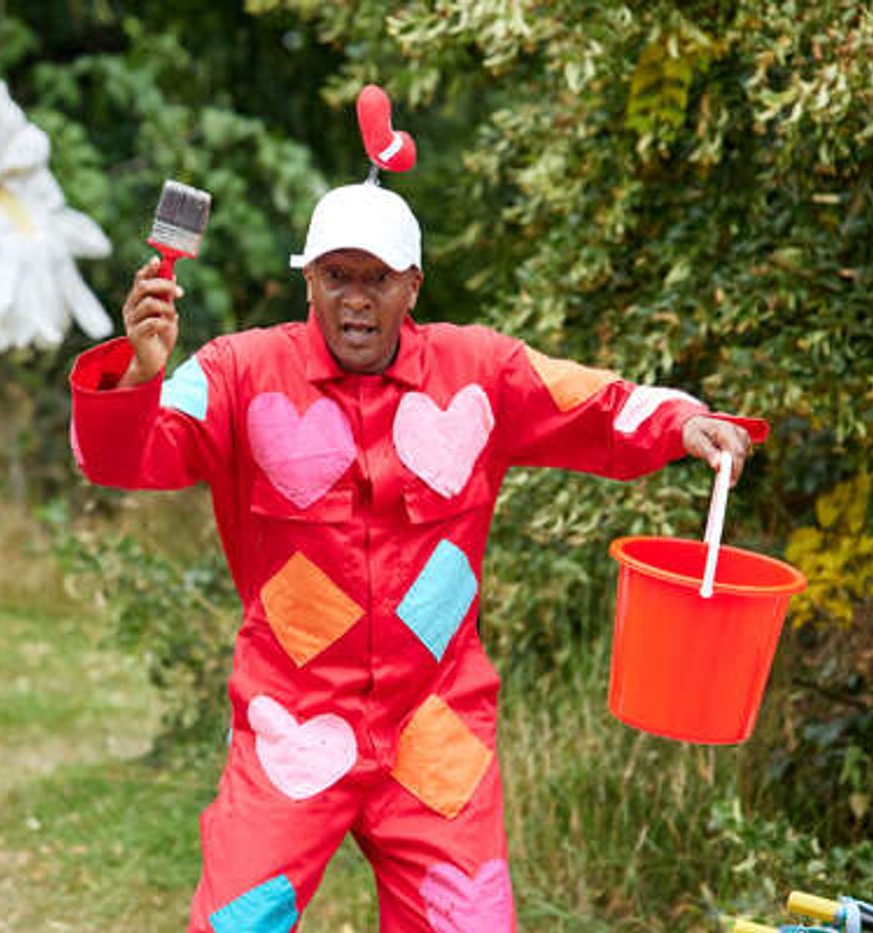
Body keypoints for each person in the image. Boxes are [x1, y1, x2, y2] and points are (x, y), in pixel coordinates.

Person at [69, 180, 755, 932]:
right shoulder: (240, 371)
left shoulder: (480, 372)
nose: (355, 300)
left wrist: (686, 421)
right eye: (336, 277)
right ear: (309, 280)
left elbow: (594, 403)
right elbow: (120, 459)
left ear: (413, 286)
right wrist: (142, 371)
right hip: (292, 724)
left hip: (437, 727)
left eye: (376, 279)